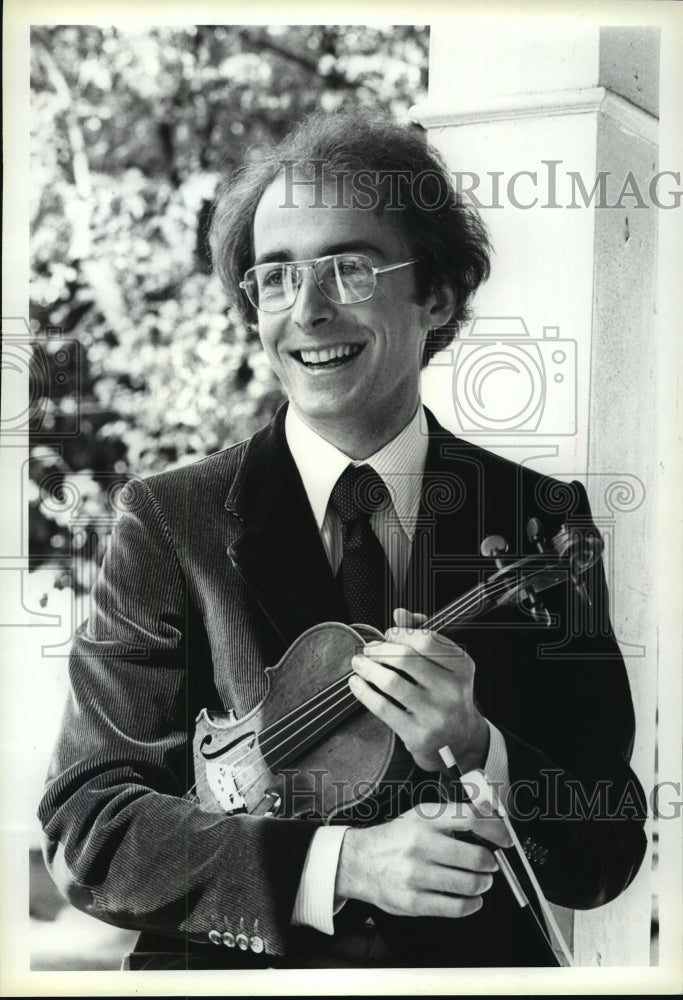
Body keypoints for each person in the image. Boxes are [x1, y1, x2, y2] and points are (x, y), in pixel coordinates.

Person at [39, 110, 647, 970]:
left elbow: (609, 848)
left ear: (434, 294)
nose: (308, 311)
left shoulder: (541, 517)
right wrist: (340, 865)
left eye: (349, 268)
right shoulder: (167, 521)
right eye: (275, 278)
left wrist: (484, 748)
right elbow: (89, 824)